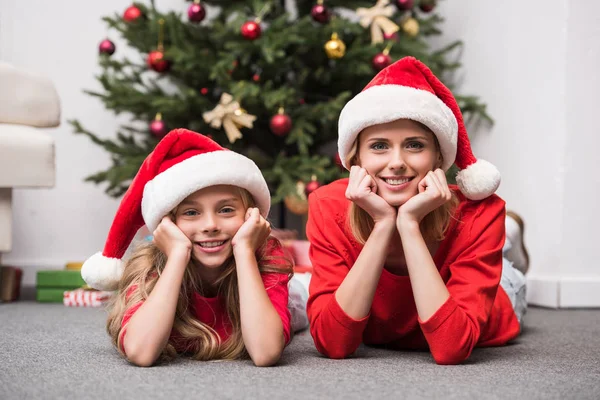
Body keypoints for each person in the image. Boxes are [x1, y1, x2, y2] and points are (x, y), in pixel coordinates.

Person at [306, 57, 528, 365]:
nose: (396, 162)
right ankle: (509, 236)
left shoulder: (481, 213)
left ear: (438, 156)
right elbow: (333, 344)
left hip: (495, 306)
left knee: (510, 277)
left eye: (414, 145)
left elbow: (452, 348)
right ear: (355, 159)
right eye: (379, 146)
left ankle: (508, 241)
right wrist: (384, 223)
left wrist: (408, 224)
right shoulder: (327, 205)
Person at [81, 129, 307, 367]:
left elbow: (265, 352)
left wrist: (244, 251)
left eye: (226, 210)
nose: (210, 225)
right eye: (191, 213)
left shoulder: (264, 256)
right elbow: (140, 352)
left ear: (251, 214)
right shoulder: (149, 265)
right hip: (173, 261)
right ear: (168, 222)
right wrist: (177, 255)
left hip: (295, 295)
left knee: (305, 292)